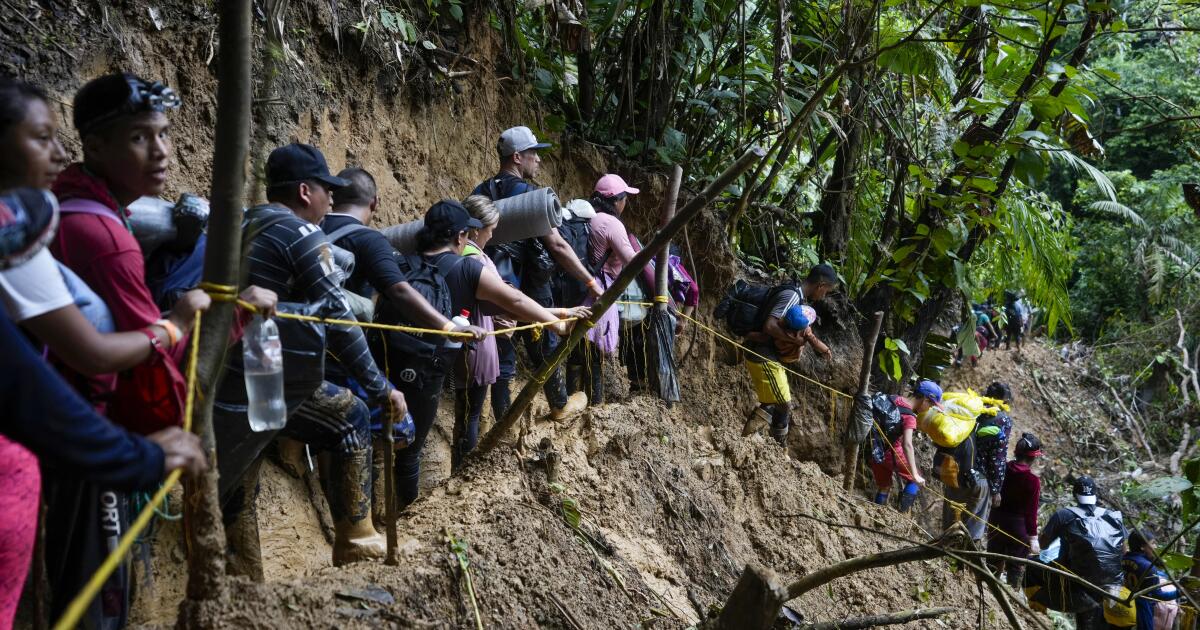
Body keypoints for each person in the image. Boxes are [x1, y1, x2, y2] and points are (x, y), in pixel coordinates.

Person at [40, 73, 273, 627]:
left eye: (165, 134)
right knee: (98, 600)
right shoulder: (107, 239)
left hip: (57, 424)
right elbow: (149, 359)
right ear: (93, 146)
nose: (162, 151)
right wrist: (225, 317)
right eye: (141, 138)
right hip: (87, 433)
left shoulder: (70, 209)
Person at [0, 187, 207, 630]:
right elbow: (85, 357)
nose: (55, 151)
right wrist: (175, 327)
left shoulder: (46, 227)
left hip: (73, 445)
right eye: (38, 137)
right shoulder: (101, 237)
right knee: (97, 596)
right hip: (84, 442)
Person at [234, 142, 407, 566]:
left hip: (225, 372)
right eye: (326, 189)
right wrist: (379, 387)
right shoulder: (302, 235)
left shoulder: (243, 222)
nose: (333, 199)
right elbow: (339, 317)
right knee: (350, 417)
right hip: (266, 378)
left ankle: (243, 579)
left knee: (241, 476)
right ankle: (356, 536)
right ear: (305, 192)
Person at [371, 200, 585, 505]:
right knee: (409, 453)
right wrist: (555, 326)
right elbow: (514, 302)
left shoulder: (402, 263)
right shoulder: (467, 268)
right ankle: (405, 518)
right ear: (460, 237)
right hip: (425, 374)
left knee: (375, 443)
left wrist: (559, 312)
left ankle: (370, 517)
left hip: (383, 361)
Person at [472, 125, 596, 420]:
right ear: (517, 157)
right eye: (533, 154)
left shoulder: (480, 191)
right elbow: (558, 246)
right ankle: (559, 405)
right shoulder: (530, 196)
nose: (538, 160)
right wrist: (590, 281)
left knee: (503, 348)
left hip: (486, 277)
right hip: (522, 282)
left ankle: (502, 418)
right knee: (544, 341)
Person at [577, 174, 657, 405]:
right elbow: (632, 262)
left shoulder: (588, 216)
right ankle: (595, 403)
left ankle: (578, 395)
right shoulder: (611, 224)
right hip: (600, 291)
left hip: (581, 286)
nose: (625, 204)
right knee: (594, 348)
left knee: (579, 348)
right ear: (616, 200)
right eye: (624, 198)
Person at [740, 264, 837, 445]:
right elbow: (769, 326)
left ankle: (760, 443)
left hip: (767, 354)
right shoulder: (792, 296)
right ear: (821, 285)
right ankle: (774, 445)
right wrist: (796, 341)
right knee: (783, 402)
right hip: (763, 353)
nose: (824, 296)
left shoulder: (797, 298)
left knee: (773, 400)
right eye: (826, 291)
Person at [1037, 475, 1128, 630]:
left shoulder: (1064, 515)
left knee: (1085, 618)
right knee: (1103, 619)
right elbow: (1124, 549)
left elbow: (1043, 545)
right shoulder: (1111, 515)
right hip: (1113, 578)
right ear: (1095, 495)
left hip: (1078, 577)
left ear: (1074, 495)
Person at [866, 380, 940, 512]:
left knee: (884, 485)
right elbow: (907, 444)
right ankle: (902, 515)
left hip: (875, 449)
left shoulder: (894, 398)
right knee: (915, 478)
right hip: (891, 452)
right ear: (925, 399)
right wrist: (914, 474)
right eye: (931, 405)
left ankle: (877, 514)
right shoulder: (910, 416)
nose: (930, 409)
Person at [986, 432, 1043, 589]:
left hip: (996, 521)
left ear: (1016, 452)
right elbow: (1031, 513)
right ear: (1034, 458)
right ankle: (1012, 595)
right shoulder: (1033, 480)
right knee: (1016, 566)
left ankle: (987, 588)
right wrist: (1033, 538)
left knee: (992, 558)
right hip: (1018, 529)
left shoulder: (1003, 468)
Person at [1122, 528, 1180, 630]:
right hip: (1142, 609)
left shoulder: (1124, 558)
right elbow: (1159, 595)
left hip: (1124, 602)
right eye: (1153, 543)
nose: (1155, 547)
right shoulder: (1148, 567)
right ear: (1142, 547)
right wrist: (1179, 593)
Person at [976, 382, 1014, 509]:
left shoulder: (974, 409)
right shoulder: (1002, 420)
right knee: (973, 527)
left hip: (958, 471)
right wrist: (996, 489)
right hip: (979, 480)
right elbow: (997, 458)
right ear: (1004, 400)